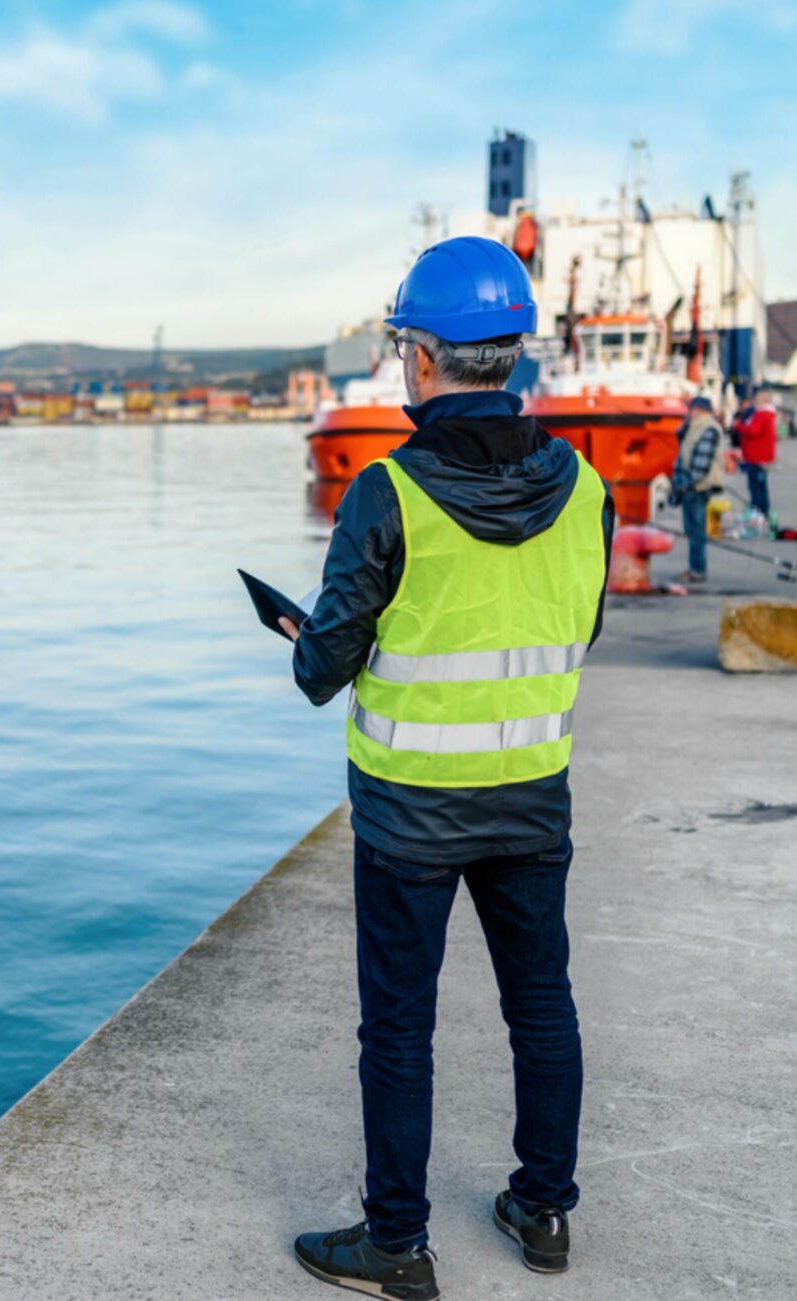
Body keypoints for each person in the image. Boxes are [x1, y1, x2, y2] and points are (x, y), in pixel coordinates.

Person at [280, 236, 613, 1300]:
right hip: (530, 798)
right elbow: (576, 628)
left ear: (421, 357)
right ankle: (543, 1207)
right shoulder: (587, 489)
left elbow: (321, 671)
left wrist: (308, 636)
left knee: (400, 1026)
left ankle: (397, 1242)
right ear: (509, 352)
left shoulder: (384, 493)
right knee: (542, 1005)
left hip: (409, 818)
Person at [669, 395, 724, 583]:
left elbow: (702, 462)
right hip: (691, 487)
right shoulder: (694, 427)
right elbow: (681, 440)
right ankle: (694, 567)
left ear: (699, 410)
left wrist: (688, 484)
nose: (688, 413)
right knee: (692, 529)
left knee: (697, 530)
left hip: (697, 488)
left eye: (691, 409)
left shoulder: (708, 429)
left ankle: (698, 570)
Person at [735, 385, 777, 518]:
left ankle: (758, 511)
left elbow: (752, 431)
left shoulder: (762, 414)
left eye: (757, 398)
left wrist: (738, 426)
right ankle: (762, 511)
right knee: (760, 485)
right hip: (758, 456)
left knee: (756, 486)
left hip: (757, 457)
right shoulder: (765, 414)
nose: (754, 400)